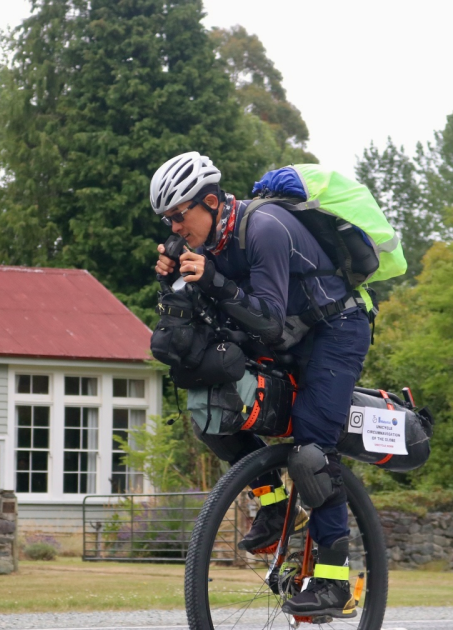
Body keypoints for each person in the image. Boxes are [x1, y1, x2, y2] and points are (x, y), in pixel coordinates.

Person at [151, 151, 370, 619]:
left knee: (312, 445)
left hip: (336, 329)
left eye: (178, 215)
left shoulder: (264, 228)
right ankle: (271, 506)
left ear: (209, 202)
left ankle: (335, 580)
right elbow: (226, 313)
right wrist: (175, 285)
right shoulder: (210, 243)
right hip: (293, 333)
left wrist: (212, 279)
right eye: (166, 219)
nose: (173, 227)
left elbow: (267, 320)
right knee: (213, 410)